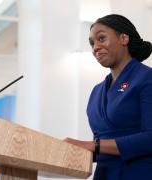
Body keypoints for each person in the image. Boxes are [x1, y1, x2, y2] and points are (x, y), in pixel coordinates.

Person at [65, 14, 152, 180]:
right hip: (104, 174)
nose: (95, 47)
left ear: (124, 38)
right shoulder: (97, 91)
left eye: (101, 38)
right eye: (92, 43)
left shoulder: (147, 78)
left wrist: (93, 146)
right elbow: (100, 144)